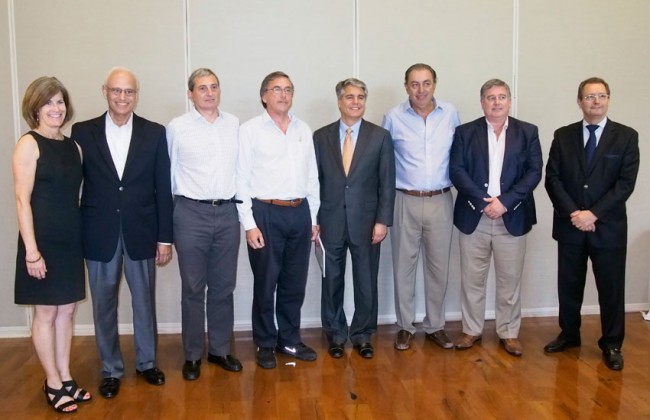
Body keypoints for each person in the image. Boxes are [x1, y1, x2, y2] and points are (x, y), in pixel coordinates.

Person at [72, 67, 173, 398]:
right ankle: (111, 369)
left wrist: (164, 237)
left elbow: (162, 188)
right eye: (116, 91)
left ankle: (147, 363)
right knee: (103, 304)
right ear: (105, 92)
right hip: (99, 232)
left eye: (129, 91)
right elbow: (74, 185)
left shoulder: (154, 133)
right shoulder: (82, 132)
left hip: (141, 231)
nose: (122, 97)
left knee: (144, 302)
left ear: (136, 95)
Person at [544, 77, 639, 371]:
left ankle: (611, 343)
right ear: (579, 101)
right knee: (569, 285)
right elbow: (553, 179)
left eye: (600, 96)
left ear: (608, 99)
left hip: (607, 228)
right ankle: (569, 334)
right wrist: (575, 214)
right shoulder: (563, 136)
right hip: (570, 225)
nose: (595, 101)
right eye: (589, 97)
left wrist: (593, 214)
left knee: (610, 288)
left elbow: (625, 184)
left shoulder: (626, 137)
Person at [13, 76, 92, 414]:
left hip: (70, 238)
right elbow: (21, 199)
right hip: (41, 240)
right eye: (48, 103)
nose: (55, 108)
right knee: (45, 311)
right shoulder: (28, 144)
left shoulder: (73, 146)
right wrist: (32, 250)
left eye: (59, 102)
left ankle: (65, 375)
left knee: (68, 310)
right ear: (35, 108)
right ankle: (52, 382)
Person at [449, 79, 542, 357]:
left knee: (509, 281)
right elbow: (457, 170)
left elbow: (534, 171)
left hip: (512, 216)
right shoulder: (465, 132)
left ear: (510, 101)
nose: (497, 102)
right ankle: (471, 330)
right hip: (474, 215)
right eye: (491, 97)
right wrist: (482, 201)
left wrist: (505, 203)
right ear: (482, 102)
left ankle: (509, 332)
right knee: (472, 279)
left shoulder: (527, 132)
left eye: (502, 97)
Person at [236, 71, 320, 369]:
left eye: (288, 90)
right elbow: (241, 179)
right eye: (276, 89)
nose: (283, 95)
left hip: (299, 212)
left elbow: (312, 177)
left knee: (293, 283)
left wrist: (312, 217)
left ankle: (289, 339)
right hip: (265, 213)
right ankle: (265, 343)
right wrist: (249, 224)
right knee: (266, 282)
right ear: (264, 95)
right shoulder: (249, 130)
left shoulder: (303, 129)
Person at [166, 68, 242, 380]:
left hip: (227, 213)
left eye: (213, 87)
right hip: (190, 214)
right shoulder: (177, 127)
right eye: (201, 88)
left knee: (224, 288)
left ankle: (220, 349)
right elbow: (168, 174)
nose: (209, 93)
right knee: (193, 288)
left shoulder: (235, 124)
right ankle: (193, 354)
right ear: (190, 94)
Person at [314, 78, 395, 359]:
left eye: (361, 97)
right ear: (339, 101)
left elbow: (387, 182)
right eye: (349, 97)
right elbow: (315, 182)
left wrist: (383, 221)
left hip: (367, 223)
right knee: (331, 280)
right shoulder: (320, 137)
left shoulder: (380, 136)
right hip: (330, 221)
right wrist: (314, 219)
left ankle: (362, 335)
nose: (356, 102)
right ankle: (335, 334)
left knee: (365, 281)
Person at [382, 63, 460, 351]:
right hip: (404, 199)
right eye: (414, 84)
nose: (421, 90)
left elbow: (460, 156)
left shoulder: (451, 114)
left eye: (426, 83)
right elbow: (384, 162)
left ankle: (436, 326)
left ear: (435, 85)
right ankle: (405, 326)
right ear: (406, 87)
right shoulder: (392, 117)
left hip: (441, 199)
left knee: (438, 268)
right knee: (404, 267)